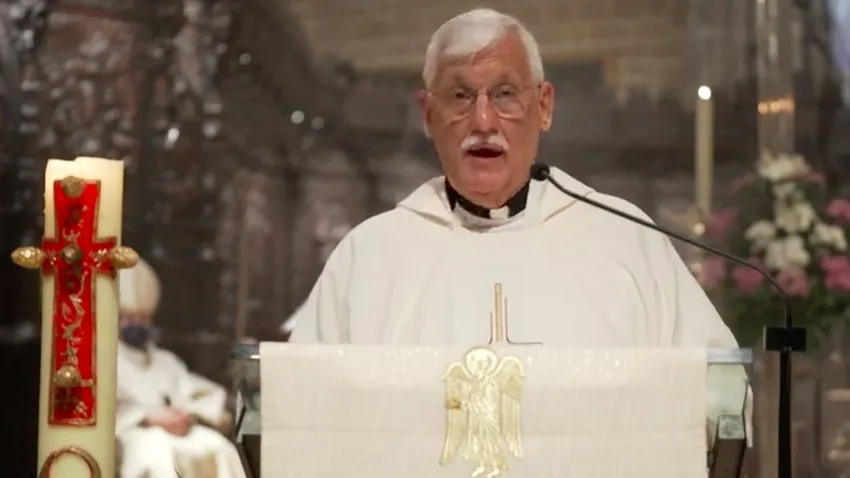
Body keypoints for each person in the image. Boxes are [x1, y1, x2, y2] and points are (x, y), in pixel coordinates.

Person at [290, 8, 750, 443]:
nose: (483, 121)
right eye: (460, 96)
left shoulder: (627, 240)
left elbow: (723, 405)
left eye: (505, 94)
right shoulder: (369, 257)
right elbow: (298, 417)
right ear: (428, 114)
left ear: (544, 106)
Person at [116, 257, 246, 478]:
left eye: (143, 318)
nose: (137, 323)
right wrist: (147, 418)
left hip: (176, 431)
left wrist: (187, 414)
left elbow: (197, 394)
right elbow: (108, 410)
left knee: (220, 448)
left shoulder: (166, 361)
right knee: (154, 454)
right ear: (116, 318)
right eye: (130, 318)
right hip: (136, 433)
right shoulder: (108, 362)